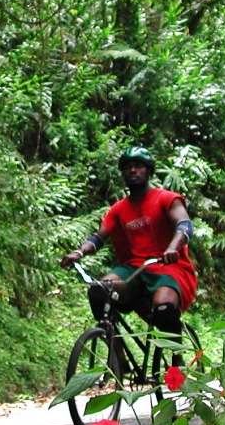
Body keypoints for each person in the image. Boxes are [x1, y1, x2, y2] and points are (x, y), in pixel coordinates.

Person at [60, 146, 197, 344]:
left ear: (148, 171)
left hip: (168, 267)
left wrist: (172, 248)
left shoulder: (167, 199)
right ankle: (117, 354)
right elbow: (99, 237)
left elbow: (184, 225)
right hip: (135, 268)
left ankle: (178, 356)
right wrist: (79, 252)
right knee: (99, 290)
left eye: (138, 166)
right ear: (123, 173)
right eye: (128, 167)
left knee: (164, 308)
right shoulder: (118, 210)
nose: (133, 170)